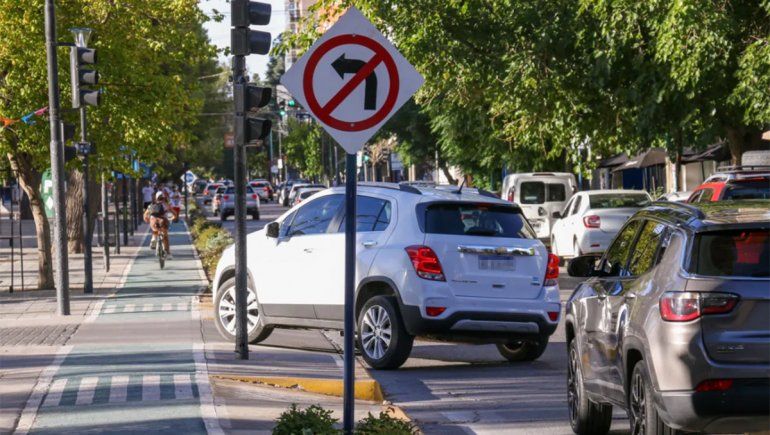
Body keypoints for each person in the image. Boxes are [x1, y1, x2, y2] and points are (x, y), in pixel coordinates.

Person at [143, 191, 172, 258]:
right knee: (165, 237)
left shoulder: (151, 205)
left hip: (153, 221)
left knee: (154, 229)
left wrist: (147, 220)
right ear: (163, 197)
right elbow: (174, 213)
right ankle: (168, 252)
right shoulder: (166, 205)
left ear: (156, 198)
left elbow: (145, 215)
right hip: (163, 221)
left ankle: (153, 238)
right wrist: (173, 217)